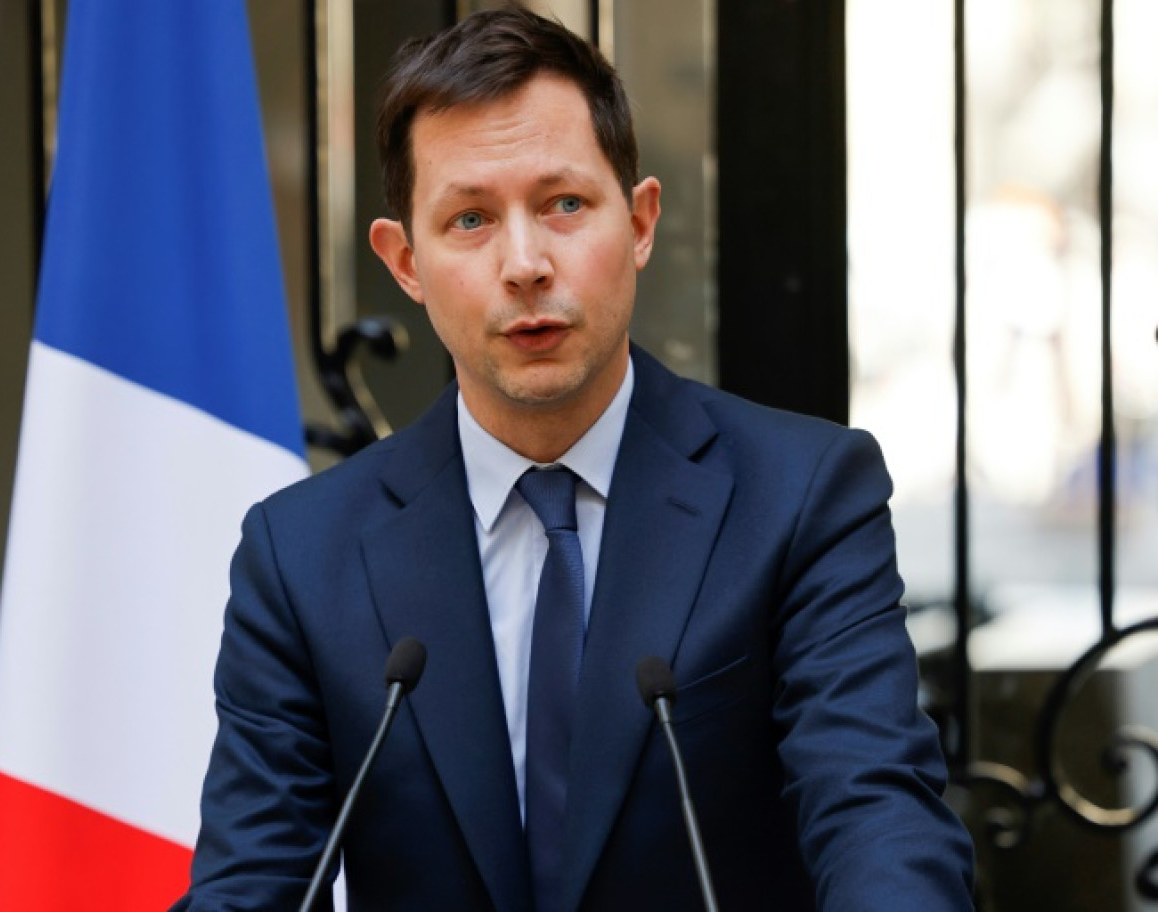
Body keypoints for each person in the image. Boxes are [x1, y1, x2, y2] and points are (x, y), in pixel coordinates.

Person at [174, 7, 975, 911]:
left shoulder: (801, 497)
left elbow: (880, 824)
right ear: (405, 262)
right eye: (471, 218)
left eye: (563, 205)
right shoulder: (302, 558)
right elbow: (253, 883)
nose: (525, 264)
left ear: (638, 223)